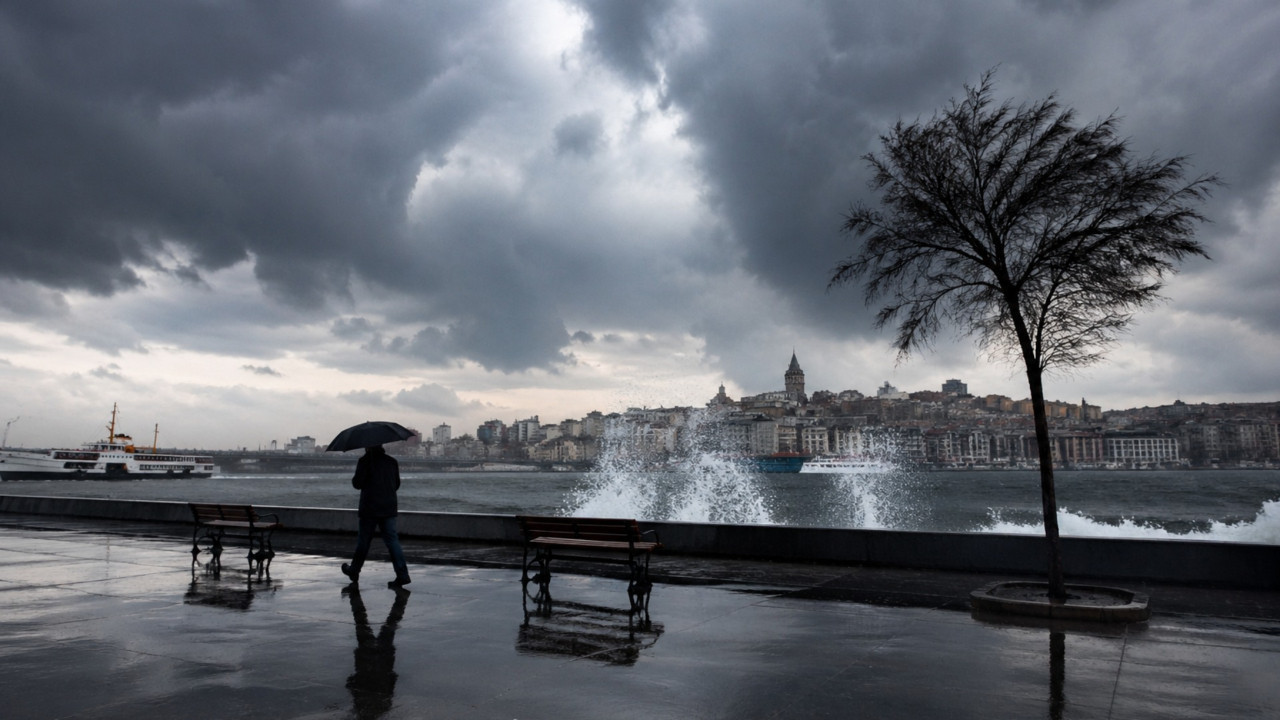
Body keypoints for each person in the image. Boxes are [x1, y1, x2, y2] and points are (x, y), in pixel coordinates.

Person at [342, 445, 411, 588]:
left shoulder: (365, 461)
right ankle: (402, 574)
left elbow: (357, 484)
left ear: (367, 447)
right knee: (392, 542)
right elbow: (396, 484)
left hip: (370, 508)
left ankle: (354, 570)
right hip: (388, 508)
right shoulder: (392, 461)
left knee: (364, 542)